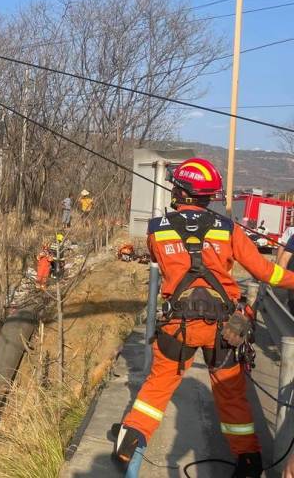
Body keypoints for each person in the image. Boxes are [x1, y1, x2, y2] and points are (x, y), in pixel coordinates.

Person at [112, 158, 294, 478]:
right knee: (232, 396)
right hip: (224, 331)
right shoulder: (230, 230)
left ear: (180, 191)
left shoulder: (157, 231)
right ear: (209, 195)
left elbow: (159, 260)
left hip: (176, 328)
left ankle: (131, 441)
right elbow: (267, 272)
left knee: (156, 389)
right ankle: (248, 461)